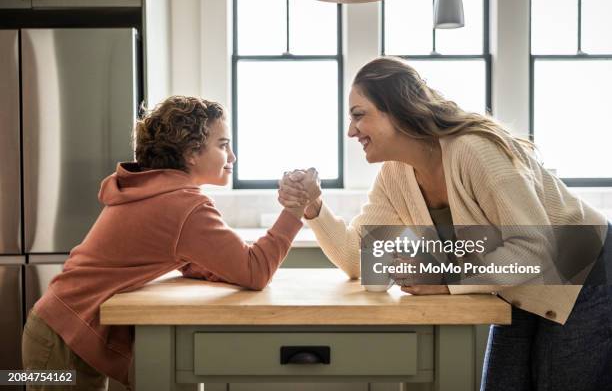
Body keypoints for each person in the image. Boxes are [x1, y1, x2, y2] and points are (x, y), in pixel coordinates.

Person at [278, 57, 612, 391]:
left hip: (584, 273)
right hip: (519, 285)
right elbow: (358, 259)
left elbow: (534, 248)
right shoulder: (395, 175)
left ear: (396, 109)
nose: (351, 131)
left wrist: (447, 278)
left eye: (359, 115)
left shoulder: (474, 150)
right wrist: (314, 208)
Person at [22, 96, 307, 390]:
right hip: (58, 347)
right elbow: (255, 270)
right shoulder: (184, 204)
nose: (232, 157)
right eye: (223, 145)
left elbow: (184, 257)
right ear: (192, 152)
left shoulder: (152, 187)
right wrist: (294, 210)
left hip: (53, 328)